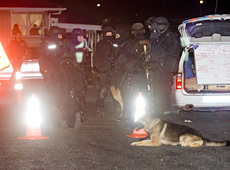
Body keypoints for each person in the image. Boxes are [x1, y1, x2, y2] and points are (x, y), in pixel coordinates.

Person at [145, 17, 181, 115]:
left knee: (163, 96)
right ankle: (160, 116)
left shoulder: (168, 38)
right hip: (159, 70)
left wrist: (153, 37)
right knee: (157, 95)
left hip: (164, 71)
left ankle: (165, 118)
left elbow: (155, 53)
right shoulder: (162, 36)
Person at [94, 26, 116, 117]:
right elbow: (97, 58)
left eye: (111, 34)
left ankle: (117, 108)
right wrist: (102, 67)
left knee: (115, 91)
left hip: (114, 70)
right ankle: (99, 108)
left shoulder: (115, 43)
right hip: (104, 71)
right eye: (107, 34)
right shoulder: (100, 44)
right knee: (103, 91)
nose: (109, 35)